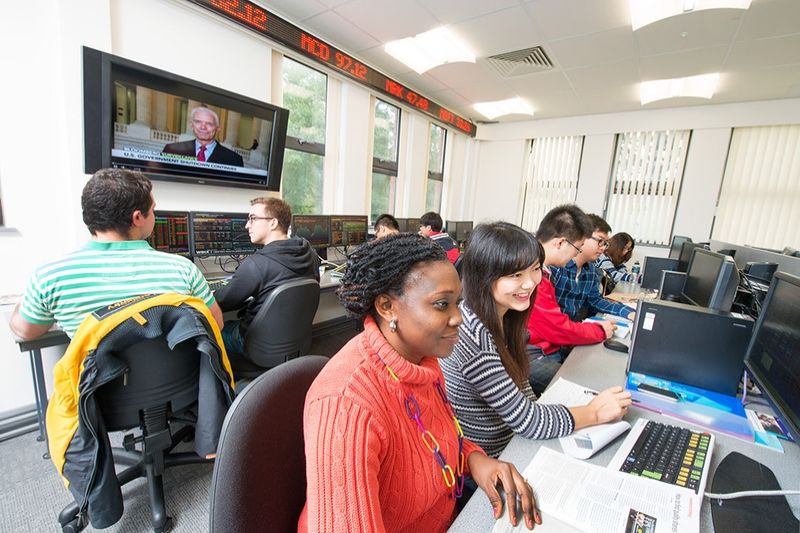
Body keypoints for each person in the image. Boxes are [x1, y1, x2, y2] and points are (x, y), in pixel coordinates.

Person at [300, 233, 540, 532]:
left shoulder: (423, 359)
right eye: (441, 305)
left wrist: (475, 459)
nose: (458, 318)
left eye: (458, 302)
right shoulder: (345, 404)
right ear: (387, 306)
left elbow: (431, 438)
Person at [440, 222, 631, 459]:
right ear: (484, 277)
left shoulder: (505, 316)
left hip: (512, 441)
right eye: (515, 274)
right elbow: (528, 421)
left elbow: (521, 386)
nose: (530, 283)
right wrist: (593, 413)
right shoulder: (473, 333)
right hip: (492, 457)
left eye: (535, 269)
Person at [10, 168, 223, 340]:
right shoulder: (183, 269)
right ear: (138, 217)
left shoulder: (49, 276)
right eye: (153, 209)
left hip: (99, 392)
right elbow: (216, 324)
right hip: (180, 389)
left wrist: (21, 307)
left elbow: (25, 331)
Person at [526, 205, 616, 394]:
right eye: (577, 248)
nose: (577, 254)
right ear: (560, 243)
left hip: (546, 347)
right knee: (587, 389)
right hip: (530, 354)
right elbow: (557, 328)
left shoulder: (542, 270)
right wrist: (599, 330)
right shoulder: (531, 275)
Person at [215, 197, 319, 359]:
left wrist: (206, 290)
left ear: (273, 223)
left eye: (253, 219)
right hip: (295, 339)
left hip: (256, 343)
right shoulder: (310, 253)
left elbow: (224, 301)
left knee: (213, 329)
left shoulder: (256, 264)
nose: (247, 225)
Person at [550, 215, 635, 322]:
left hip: (570, 330)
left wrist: (629, 312)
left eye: (605, 244)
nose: (603, 247)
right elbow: (548, 318)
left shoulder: (590, 270)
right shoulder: (556, 268)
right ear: (581, 237)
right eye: (600, 241)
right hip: (554, 331)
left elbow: (595, 301)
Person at [162, 107, 244, 166]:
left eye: (209, 123)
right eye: (198, 122)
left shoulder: (234, 159)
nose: (203, 127)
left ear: (218, 128)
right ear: (191, 125)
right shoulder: (171, 150)